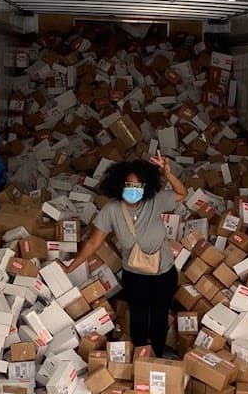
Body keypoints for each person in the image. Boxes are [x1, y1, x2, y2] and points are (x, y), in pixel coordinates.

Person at [66, 152, 187, 358]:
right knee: (139, 317)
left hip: (163, 273)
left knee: (159, 316)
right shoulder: (111, 210)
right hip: (135, 275)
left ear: (146, 187)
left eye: (138, 186)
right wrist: (71, 266)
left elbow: (181, 193)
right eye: (129, 185)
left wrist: (168, 175)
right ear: (120, 185)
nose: (133, 190)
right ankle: (140, 355)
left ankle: (157, 356)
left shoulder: (155, 201)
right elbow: (94, 242)